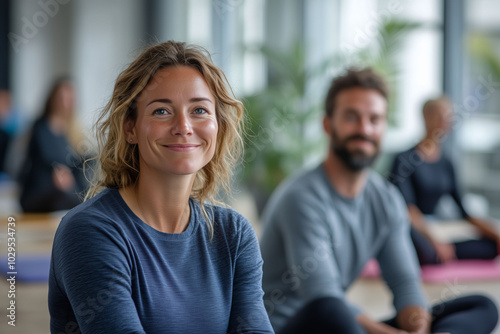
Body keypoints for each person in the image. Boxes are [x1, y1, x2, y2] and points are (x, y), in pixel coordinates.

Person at [48, 41, 273, 333]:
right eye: (162, 111)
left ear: (218, 124)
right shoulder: (89, 231)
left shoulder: (234, 234)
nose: (184, 126)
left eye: (200, 110)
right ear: (131, 128)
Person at [259, 68, 498, 334]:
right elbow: (322, 294)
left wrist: (417, 326)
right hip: (295, 327)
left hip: (346, 324)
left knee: (481, 306)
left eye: (375, 119)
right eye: (352, 117)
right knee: (332, 309)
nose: (364, 129)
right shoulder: (301, 197)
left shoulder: (385, 198)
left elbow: (406, 284)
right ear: (328, 124)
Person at [390, 96, 500, 265]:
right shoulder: (404, 159)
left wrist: (494, 233)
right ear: (426, 117)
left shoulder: (447, 162)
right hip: (415, 228)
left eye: (449, 117)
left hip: (439, 227)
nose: (445, 122)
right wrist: (434, 239)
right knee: (426, 251)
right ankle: (439, 251)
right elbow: (407, 210)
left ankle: (446, 252)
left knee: (491, 247)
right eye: (440, 116)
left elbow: (463, 211)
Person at [18, 78, 88, 212]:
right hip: (41, 190)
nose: (64, 102)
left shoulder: (75, 131)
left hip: (67, 192)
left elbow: (79, 167)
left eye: (68, 98)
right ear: (52, 98)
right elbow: (35, 164)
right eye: (61, 97)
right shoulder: (40, 128)